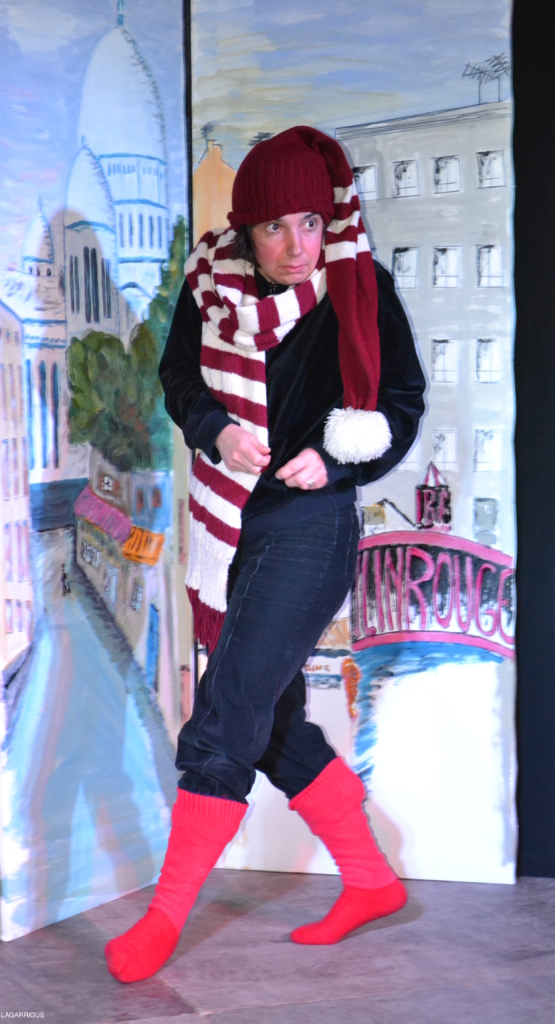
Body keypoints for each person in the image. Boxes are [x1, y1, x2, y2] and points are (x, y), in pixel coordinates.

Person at [105, 125, 426, 984]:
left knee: (229, 706)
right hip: (230, 525)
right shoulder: (208, 281)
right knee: (273, 719)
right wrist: (215, 429)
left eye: (311, 223)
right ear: (246, 229)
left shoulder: (357, 285)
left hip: (311, 526)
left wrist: (338, 457)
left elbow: (400, 402)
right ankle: (371, 881)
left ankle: (164, 918)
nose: (297, 245)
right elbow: (179, 375)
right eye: (276, 226)